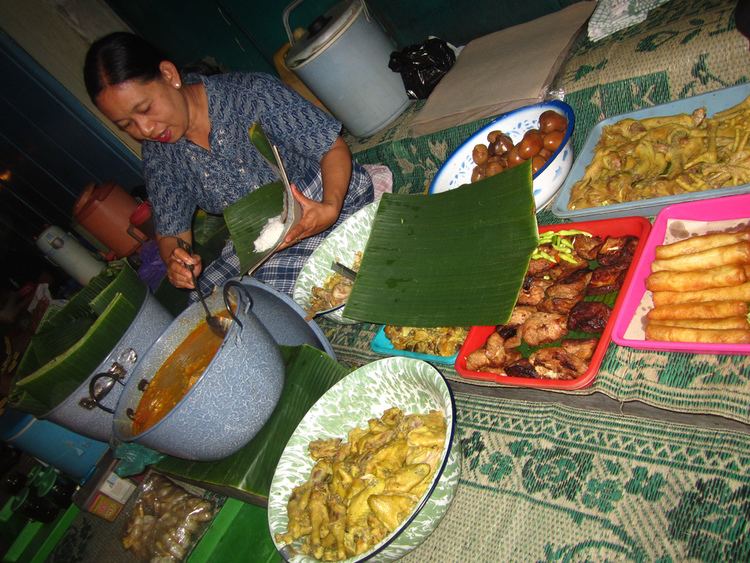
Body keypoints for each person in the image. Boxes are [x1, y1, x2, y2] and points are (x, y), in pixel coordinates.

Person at [83, 32, 373, 297]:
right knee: (208, 298)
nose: (144, 129)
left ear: (168, 75)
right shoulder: (159, 154)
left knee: (274, 296)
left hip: (317, 196)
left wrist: (330, 208)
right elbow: (172, 231)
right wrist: (177, 260)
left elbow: (332, 148)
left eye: (145, 109)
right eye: (126, 124)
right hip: (260, 235)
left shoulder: (250, 95)